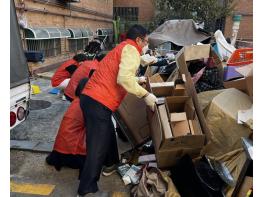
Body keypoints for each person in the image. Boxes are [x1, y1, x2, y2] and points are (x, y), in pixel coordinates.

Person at [77, 24, 157, 196]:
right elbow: (123, 78)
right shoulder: (131, 50)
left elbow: (122, 69)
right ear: (138, 40)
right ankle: (86, 188)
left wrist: (140, 74)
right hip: (98, 101)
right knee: (96, 147)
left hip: (93, 98)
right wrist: (145, 95)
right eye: (146, 42)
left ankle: (111, 163)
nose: (146, 45)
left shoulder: (124, 47)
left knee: (108, 133)